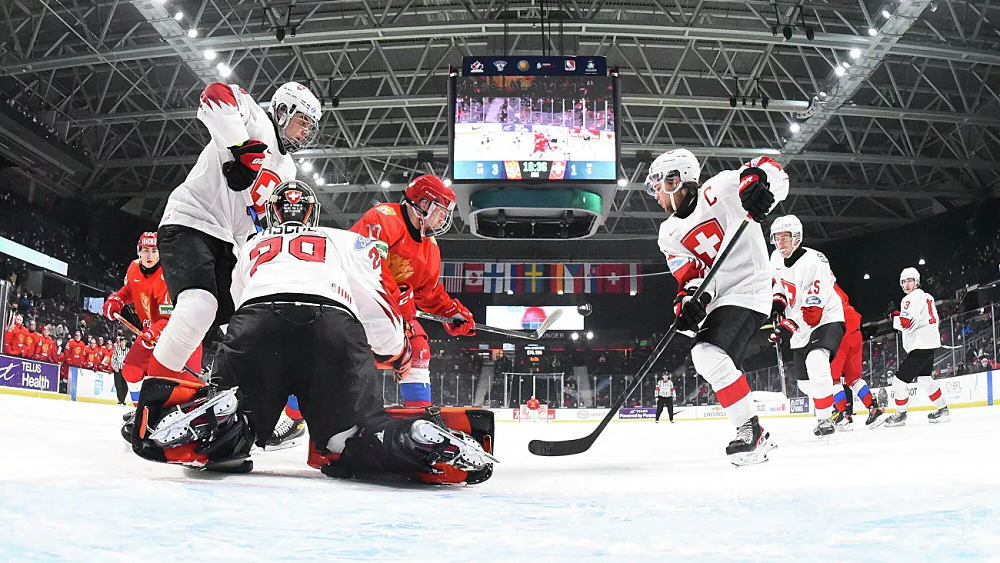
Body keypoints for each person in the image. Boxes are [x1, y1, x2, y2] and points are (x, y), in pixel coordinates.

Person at [126, 182, 495, 483]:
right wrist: (394, 348)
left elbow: (237, 305)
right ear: (313, 215)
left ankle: (231, 419)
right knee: (349, 437)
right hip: (330, 323)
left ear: (272, 214)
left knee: (247, 421)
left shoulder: (252, 245)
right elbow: (375, 297)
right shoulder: (346, 240)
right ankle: (402, 438)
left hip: (258, 320)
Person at [146, 80, 321, 390]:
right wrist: (241, 148)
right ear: (282, 111)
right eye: (302, 121)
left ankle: (222, 396)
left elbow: (259, 221)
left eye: (310, 126)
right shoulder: (255, 119)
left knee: (246, 325)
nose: (305, 131)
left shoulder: (288, 170)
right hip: (190, 221)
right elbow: (215, 95)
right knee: (199, 306)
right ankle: (153, 396)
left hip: (229, 242)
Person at [647, 148, 787, 466]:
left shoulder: (722, 188)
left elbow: (771, 170)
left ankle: (749, 430)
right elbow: (691, 277)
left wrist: (759, 185)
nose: (654, 193)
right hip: (721, 297)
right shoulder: (668, 233)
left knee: (707, 354)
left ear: (675, 180)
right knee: (705, 357)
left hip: (750, 287)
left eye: (657, 184)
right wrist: (690, 303)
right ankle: (756, 434)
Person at [349, 175, 475, 407]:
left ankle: (419, 417)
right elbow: (368, 267)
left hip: (387, 310)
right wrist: (396, 300)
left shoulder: (431, 247)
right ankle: (294, 418)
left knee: (418, 348)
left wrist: (452, 312)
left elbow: (427, 292)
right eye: (440, 210)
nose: (443, 218)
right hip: (349, 303)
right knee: (329, 355)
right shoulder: (383, 218)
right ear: (423, 204)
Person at [769, 215, 884, 435]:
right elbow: (781, 285)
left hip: (827, 319)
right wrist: (777, 303)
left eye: (785, 237)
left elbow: (813, 315)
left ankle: (825, 420)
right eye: (777, 238)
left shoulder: (814, 264)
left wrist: (787, 326)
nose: (780, 243)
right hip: (801, 326)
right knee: (804, 384)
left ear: (797, 237)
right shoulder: (775, 258)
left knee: (817, 360)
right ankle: (838, 410)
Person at [102, 232, 202, 403]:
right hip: (152, 336)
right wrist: (117, 299)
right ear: (138, 251)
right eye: (145, 250)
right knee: (131, 370)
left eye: (154, 251)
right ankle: (139, 411)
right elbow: (130, 289)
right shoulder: (133, 267)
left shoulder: (168, 277)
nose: (149, 255)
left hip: (179, 336)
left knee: (181, 387)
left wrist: (154, 332)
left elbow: (170, 317)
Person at [885, 267, 949, 426]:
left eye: (910, 281)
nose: (907, 285)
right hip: (930, 341)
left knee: (899, 381)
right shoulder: (927, 296)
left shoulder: (911, 298)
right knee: (925, 379)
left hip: (920, 343)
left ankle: (900, 414)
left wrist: (895, 318)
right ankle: (943, 410)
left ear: (917, 282)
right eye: (904, 281)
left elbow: (907, 324)